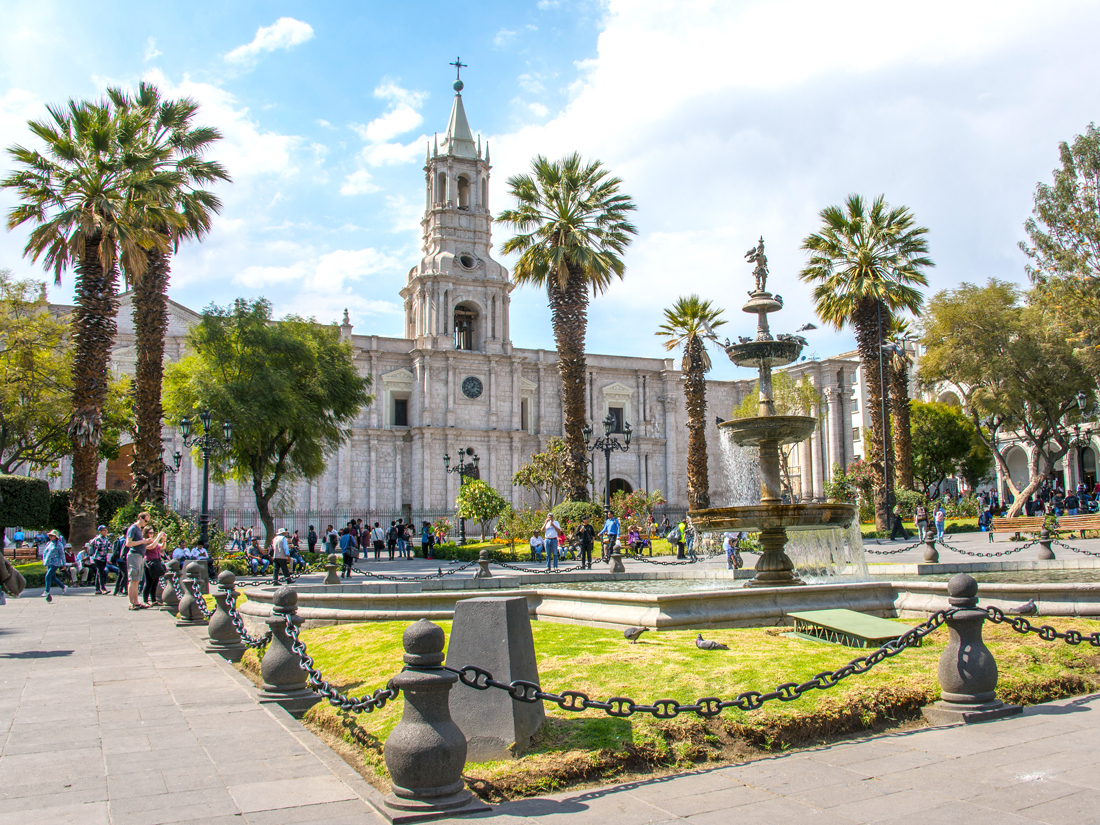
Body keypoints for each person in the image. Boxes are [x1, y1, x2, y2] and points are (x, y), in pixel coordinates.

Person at [125, 511, 150, 610]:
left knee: (137, 580)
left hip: (139, 556)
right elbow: (128, 543)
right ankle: (132, 603)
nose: (146, 523)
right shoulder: (133, 528)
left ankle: (136, 601)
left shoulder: (138, 529)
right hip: (134, 555)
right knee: (133, 579)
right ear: (140, 518)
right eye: (145, 520)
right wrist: (143, 541)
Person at [142, 527, 167, 606]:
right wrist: (158, 537)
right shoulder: (145, 541)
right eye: (150, 533)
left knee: (155, 582)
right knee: (149, 582)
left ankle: (154, 600)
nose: (151, 535)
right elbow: (152, 546)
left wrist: (164, 540)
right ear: (146, 533)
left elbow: (162, 547)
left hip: (156, 563)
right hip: (149, 563)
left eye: (152, 533)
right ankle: (145, 600)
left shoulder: (153, 541)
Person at [41, 529, 66, 603]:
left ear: (56, 537)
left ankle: (46, 591)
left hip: (56, 563)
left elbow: (62, 555)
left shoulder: (59, 544)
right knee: (53, 578)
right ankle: (63, 586)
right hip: (49, 562)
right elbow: (45, 552)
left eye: (52, 536)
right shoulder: (49, 543)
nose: (50, 537)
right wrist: (44, 560)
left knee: (47, 576)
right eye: (50, 535)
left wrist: (63, 564)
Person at [87, 525, 111, 595]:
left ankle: (97, 589)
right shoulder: (98, 539)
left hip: (103, 558)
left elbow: (109, 546)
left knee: (99, 573)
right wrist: (106, 547)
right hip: (98, 558)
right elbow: (101, 547)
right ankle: (103, 588)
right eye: (104, 530)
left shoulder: (106, 539)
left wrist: (106, 547)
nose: (105, 532)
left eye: (106, 530)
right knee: (101, 573)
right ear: (99, 531)